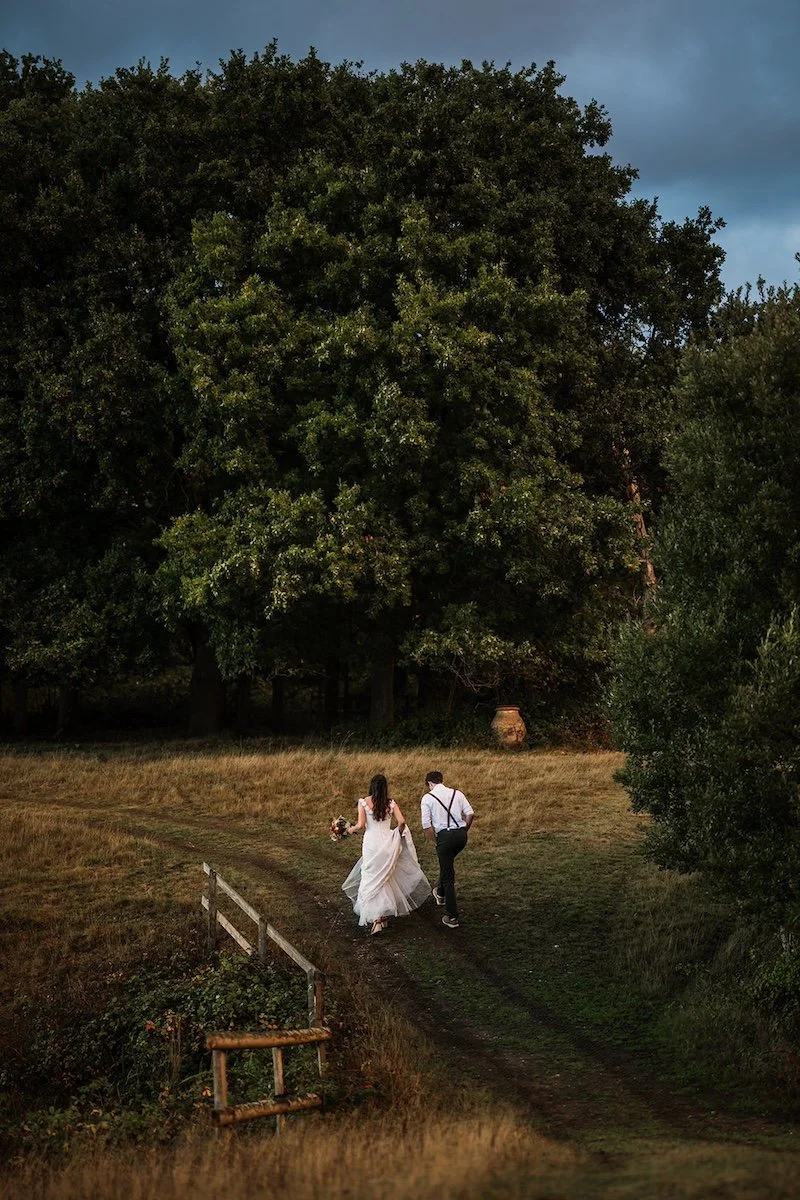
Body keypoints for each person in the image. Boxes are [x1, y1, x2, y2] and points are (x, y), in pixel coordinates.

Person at [342, 774, 431, 935]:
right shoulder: (391, 803)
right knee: (385, 876)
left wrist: (349, 829)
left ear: (372, 786)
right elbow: (402, 821)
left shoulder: (363, 802)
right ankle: (382, 917)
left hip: (371, 844)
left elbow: (361, 825)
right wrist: (397, 834)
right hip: (387, 843)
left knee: (371, 876)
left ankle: (377, 919)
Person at [420, 771, 474, 929]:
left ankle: (452, 917)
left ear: (430, 783)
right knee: (446, 865)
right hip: (461, 836)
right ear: (441, 781)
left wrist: (436, 842)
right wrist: (464, 831)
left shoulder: (427, 798)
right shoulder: (457, 793)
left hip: (444, 837)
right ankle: (440, 892)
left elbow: (427, 826)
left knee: (448, 875)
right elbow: (470, 814)